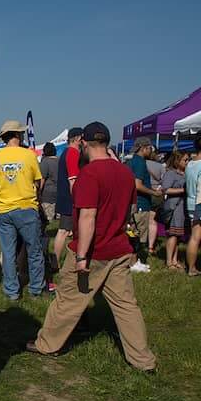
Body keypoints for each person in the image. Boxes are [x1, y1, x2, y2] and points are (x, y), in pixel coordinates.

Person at [26, 122, 157, 373]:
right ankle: (143, 360)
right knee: (126, 306)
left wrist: (82, 257)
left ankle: (47, 344)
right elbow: (128, 210)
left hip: (93, 251)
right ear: (107, 143)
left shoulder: (90, 174)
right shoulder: (124, 173)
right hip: (119, 250)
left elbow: (87, 217)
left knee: (67, 299)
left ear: (84, 143)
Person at [0, 119, 45, 299]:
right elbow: (39, 181)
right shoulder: (28, 155)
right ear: (17, 135)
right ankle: (36, 288)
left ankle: (11, 291)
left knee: (8, 253)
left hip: (3, 209)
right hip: (26, 207)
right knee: (34, 251)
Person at [127, 137, 162, 272]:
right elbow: (138, 185)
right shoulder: (140, 163)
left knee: (133, 233)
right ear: (143, 148)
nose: (151, 150)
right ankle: (134, 262)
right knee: (137, 235)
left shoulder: (132, 161)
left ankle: (136, 261)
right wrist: (154, 193)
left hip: (135, 203)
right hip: (141, 203)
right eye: (150, 148)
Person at [53, 128, 83, 270]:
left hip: (66, 197)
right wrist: (78, 200)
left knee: (66, 231)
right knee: (64, 231)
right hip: (70, 199)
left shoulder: (66, 152)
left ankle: (59, 261)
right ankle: (56, 262)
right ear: (77, 139)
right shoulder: (72, 153)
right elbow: (73, 180)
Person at [160, 152, 188, 270]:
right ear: (177, 161)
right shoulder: (171, 173)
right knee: (173, 234)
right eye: (185, 160)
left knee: (178, 236)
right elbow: (165, 189)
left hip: (182, 207)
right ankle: (169, 261)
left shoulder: (185, 173)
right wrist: (182, 190)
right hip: (174, 207)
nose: (187, 162)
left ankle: (175, 260)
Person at [184, 136, 201, 276]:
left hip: (190, 202)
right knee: (196, 237)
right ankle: (192, 268)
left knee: (194, 237)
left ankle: (191, 268)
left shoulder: (189, 163)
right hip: (199, 202)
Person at [146, 147, 164, 255]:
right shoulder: (160, 166)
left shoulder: (142, 163)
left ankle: (141, 242)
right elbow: (163, 180)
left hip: (144, 192)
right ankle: (151, 246)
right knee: (153, 221)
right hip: (156, 193)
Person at [39, 142, 59, 222]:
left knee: (47, 219)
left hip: (47, 194)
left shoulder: (45, 162)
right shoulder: (60, 160)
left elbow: (42, 179)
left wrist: (39, 191)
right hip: (59, 193)